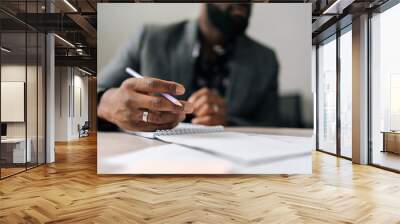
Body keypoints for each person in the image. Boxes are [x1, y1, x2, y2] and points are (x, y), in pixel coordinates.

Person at [98, 3, 279, 132]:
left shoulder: (265, 60)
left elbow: (273, 125)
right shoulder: (149, 39)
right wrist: (106, 104)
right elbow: (94, 93)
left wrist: (227, 122)